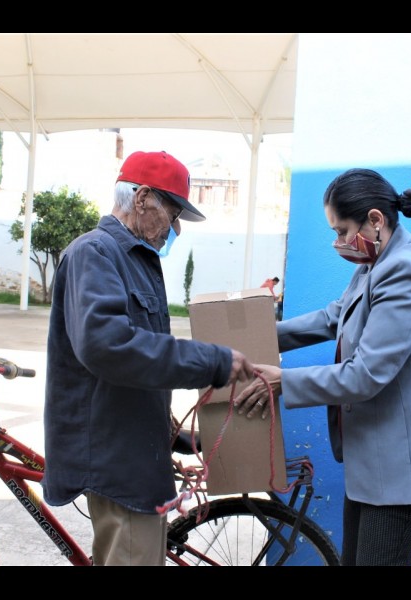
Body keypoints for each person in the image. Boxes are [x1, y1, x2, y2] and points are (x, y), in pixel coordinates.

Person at [234, 168, 411, 566]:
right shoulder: (376, 262)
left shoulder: (404, 272)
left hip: (403, 470)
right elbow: (332, 317)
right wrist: (259, 336)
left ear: (375, 219)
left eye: (342, 231)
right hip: (376, 463)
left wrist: (283, 381)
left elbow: (365, 374)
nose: (338, 242)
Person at [42, 150, 256, 566]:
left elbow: (142, 365)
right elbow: (108, 346)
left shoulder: (136, 259)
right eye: (172, 214)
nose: (175, 229)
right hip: (117, 462)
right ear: (141, 198)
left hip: (138, 455)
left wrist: (173, 432)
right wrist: (210, 361)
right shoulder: (95, 253)